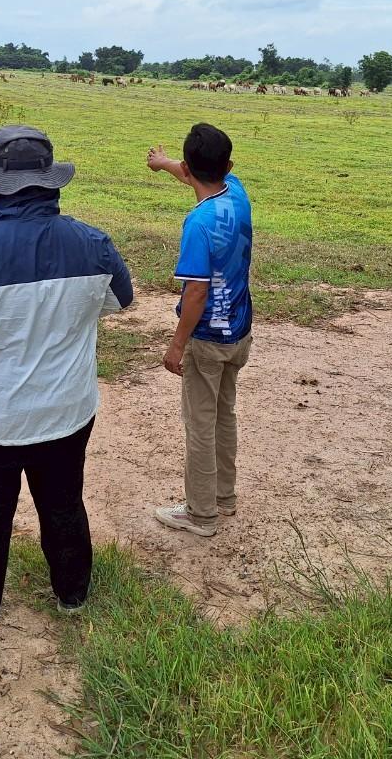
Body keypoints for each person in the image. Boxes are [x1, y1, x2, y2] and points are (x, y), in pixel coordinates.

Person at [0, 126, 133, 643]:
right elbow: (120, 300)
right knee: (64, 501)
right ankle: (73, 594)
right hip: (66, 410)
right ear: (51, 181)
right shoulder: (94, 243)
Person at [147, 124, 253, 537]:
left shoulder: (197, 224)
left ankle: (201, 514)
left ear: (189, 168)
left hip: (207, 339)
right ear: (228, 166)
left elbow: (195, 295)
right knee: (224, 414)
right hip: (240, 332)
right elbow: (197, 172)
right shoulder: (237, 194)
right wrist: (164, 164)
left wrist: (176, 345)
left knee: (199, 423)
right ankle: (224, 497)